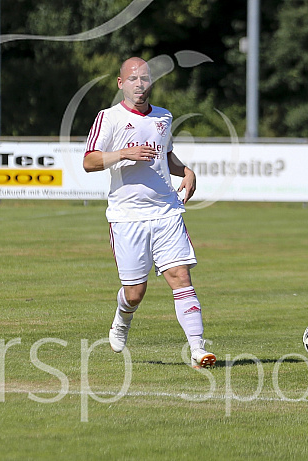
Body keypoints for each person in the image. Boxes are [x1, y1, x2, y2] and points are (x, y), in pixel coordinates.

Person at [83, 57, 216, 368]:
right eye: (132, 79)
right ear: (121, 84)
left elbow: (165, 154)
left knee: (180, 275)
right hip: (127, 216)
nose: (139, 84)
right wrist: (123, 153)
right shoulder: (108, 118)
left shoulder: (164, 117)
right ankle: (122, 320)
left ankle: (198, 350)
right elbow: (89, 161)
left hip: (166, 210)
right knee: (135, 293)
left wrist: (185, 170)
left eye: (144, 78)